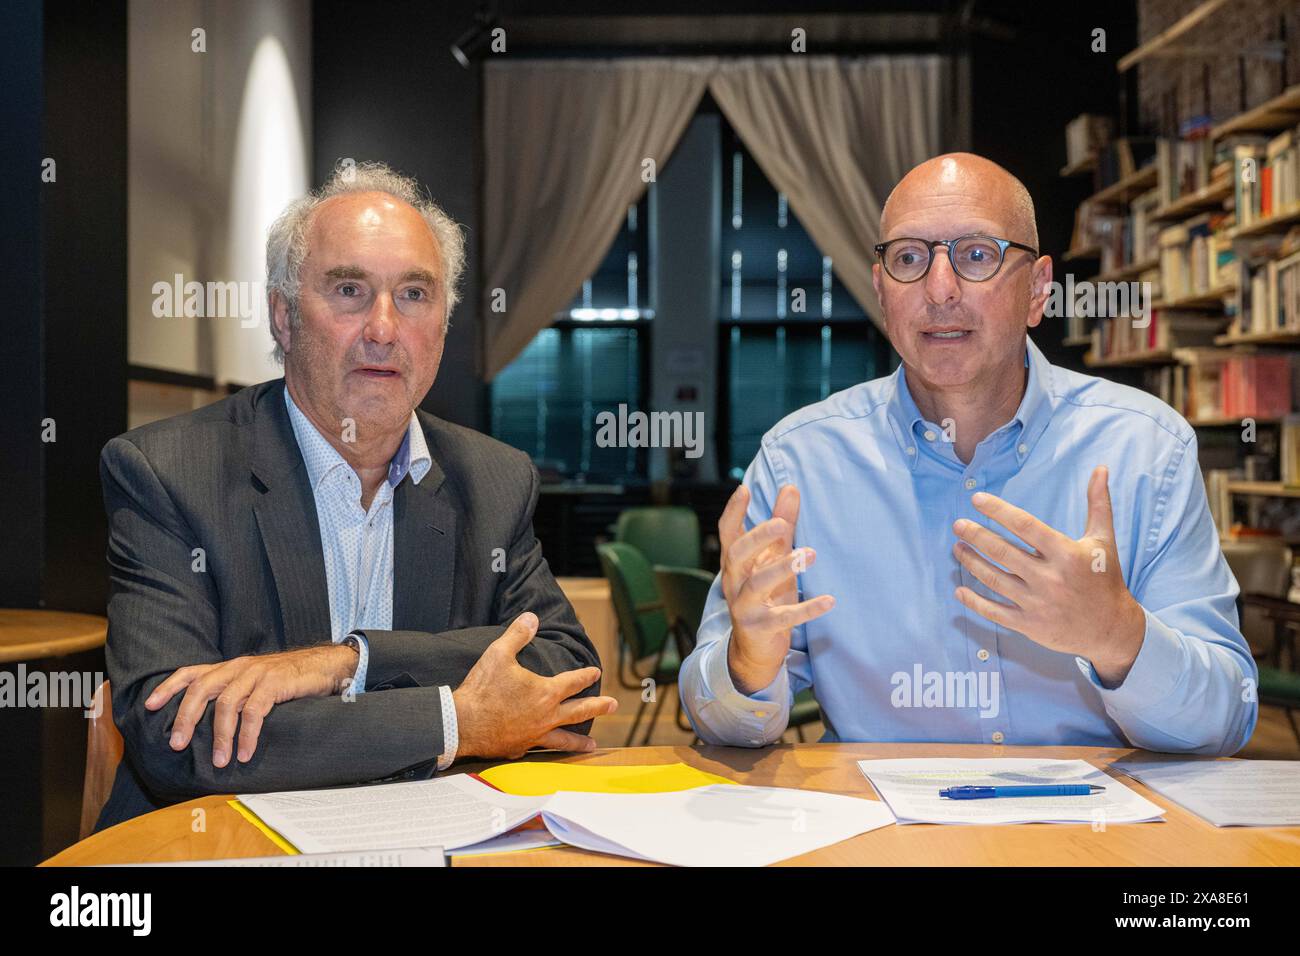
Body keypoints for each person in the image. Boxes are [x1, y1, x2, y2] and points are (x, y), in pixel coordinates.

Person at [679, 152, 1256, 755]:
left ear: (1037, 291)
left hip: (1089, 839)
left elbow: (1226, 718)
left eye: (977, 255)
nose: (939, 289)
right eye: (909, 259)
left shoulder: (1146, 448)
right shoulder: (798, 464)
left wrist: (1119, 637)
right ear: (882, 293)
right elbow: (717, 724)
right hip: (877, 837)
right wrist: (746, 667)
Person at [97, 162, 616, 828]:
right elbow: (180, 736)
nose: (383, 327)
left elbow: (571, 673)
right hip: (225, 842)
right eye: (349, 289)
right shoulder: (167, 472)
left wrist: (348, 663)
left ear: (443, 326)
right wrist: (455, 720)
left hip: (431, 839)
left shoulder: (494, 478)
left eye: (414, 294)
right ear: (283, 316)